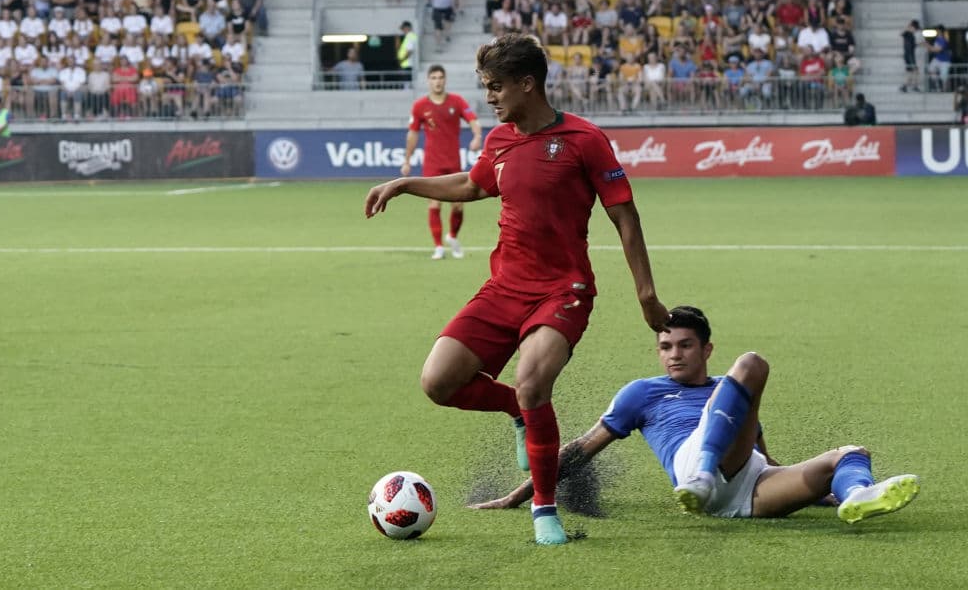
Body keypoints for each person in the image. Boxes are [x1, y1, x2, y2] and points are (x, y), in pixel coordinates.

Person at [365, 34, 669, 545]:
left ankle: (545, 513)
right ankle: (518, 413)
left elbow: (626, 218)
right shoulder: (499, 141)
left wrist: (646, 295)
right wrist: (404, 184)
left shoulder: (585, 140)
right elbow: (472, 185)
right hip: (503, 287)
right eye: (485, 87)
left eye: (496, 87)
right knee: (438, 382)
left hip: (562, 290)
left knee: (533, 383)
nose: (489, 98)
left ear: (527, 84)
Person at [471, 306, 921, 525]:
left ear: (705, 349)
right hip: (694, 468)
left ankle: (855, 496)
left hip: (748, 493)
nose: (674, 355)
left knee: (850, 453)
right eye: (665, 346)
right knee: (751, 364)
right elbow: (580, 450)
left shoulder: (729, 397)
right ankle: (702, 475)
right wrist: (521, 496)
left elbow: (761, 457)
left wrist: (819, 490)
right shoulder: (642, 393)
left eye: (684, 345)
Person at [400, 64, 482, 259]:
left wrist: (477, 136)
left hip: (453, 162)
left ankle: (452, 236)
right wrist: (407, 160)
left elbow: (473, 120)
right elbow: (412, 134)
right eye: (434, 78)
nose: (437, 81)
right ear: (428, 81)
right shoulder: (420, 106)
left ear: (445, 80)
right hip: (432, 163)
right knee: (434, 203)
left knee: (458, 205)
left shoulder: (457, 101)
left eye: (440, 77)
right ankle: (438, 246)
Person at [901, 20, 924, 93]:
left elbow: (913, 45)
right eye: (915, 29)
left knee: (911, 72)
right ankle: (914, 86)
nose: (915, 30)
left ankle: (905, 86)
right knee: (915, 71)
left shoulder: (909, 34)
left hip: (908, 55)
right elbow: (902, 33)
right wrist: (908, 27)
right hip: (909, 55)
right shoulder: (908, 34)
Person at [396, 21, 417, 86]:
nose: (403, 31)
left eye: (403, 29)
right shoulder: (409, 36)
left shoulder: (410, 36)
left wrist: (402, 60)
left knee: (407, 83)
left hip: (408, 64)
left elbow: (409, 51)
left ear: (407, 28)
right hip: (406, 64)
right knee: (406, 81)